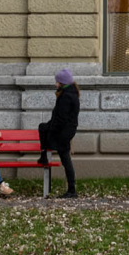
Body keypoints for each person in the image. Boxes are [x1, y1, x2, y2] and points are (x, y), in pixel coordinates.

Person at [36, 68, 80, 199]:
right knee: (43, 127)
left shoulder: (66, 96)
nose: (55, 84)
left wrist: (52, 130)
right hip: (66, 131)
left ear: (61, 83)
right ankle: (44, 154)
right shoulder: (70, 93)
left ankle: (72, 190)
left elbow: (61, 118)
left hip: (63, 133)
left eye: (57, 81)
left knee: (66, 160)